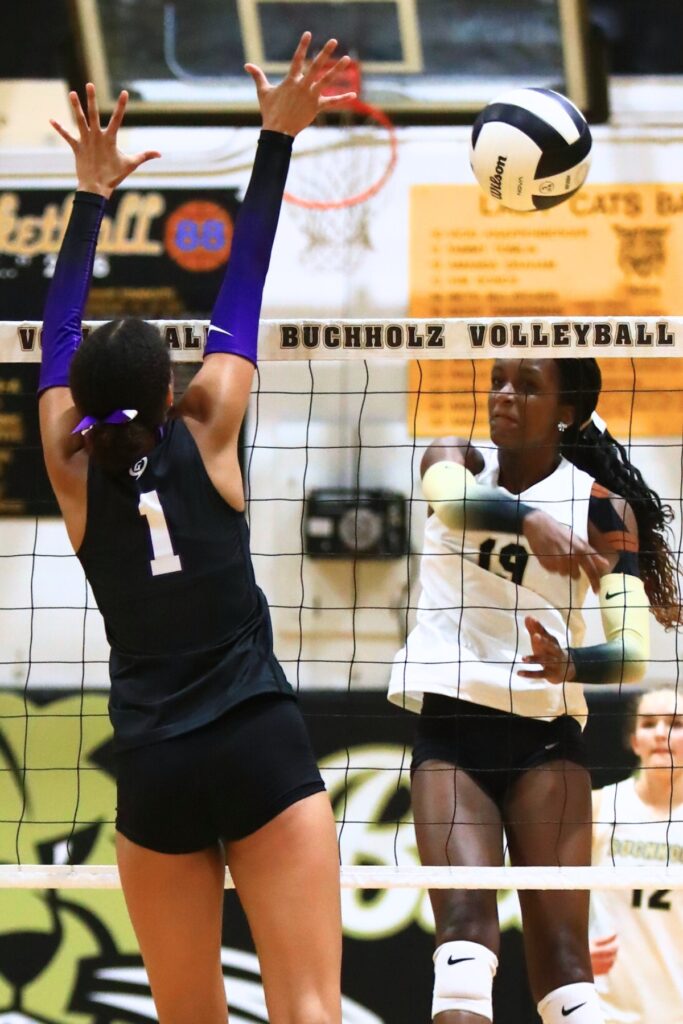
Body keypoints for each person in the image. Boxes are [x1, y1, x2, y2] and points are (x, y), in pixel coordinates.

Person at [39, 34, 355, 1024]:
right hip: (257, 738)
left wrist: (88, 196)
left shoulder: (71, 465)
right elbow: (240, 294)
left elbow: (50, 346)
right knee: (308, 1008)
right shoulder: (211, 428)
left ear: (78, 403)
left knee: (185, 1016)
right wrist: (275, 140)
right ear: (173, 390)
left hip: (154, 764)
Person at [388, 357, 682, 1024]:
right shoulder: (455, 457)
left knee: (567, 973)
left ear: (564, 411)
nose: (503, 396)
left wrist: (574, 663)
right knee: (462, 942)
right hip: (452, 733)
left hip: (546, 743)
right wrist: (527, 521)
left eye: (526, 386)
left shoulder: (600, 508)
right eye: (497, 380)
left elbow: (631, 651)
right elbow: (451, 501)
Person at [590, 686, 683, 1024]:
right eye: (648, 724)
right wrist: (570, 951)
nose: (660, 733)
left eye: (675, 723)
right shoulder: (600, 806)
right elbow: (543, 889)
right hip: (606, 1008)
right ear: (634, 741)